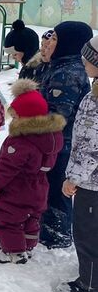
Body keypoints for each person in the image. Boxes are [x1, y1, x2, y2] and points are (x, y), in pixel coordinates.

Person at [0, 80, 65, 264]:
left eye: (16, 117)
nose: (13, 120)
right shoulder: (51, 136)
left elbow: (8, 167)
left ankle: (13, 251)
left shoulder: (21, 142)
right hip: (40, 185)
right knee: (31, 217)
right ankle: (28, 246)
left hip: (18, 188)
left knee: (6, 218)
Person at [38, 20, 93, 249]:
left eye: (56, 39)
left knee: (57, 187)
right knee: (52, 185)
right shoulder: (61, 66)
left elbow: (58, 116)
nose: (50, 42)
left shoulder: (67, 73)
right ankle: (52, 228)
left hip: (62, 144)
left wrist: (30, 122)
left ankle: (57, 234)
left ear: (69, 44)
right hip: (60, 142)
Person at [59, 35, 98, 292]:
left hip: (91, 183)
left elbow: (87, 146)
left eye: (89, 59)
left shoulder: (94, 103)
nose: (83, 62)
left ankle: (90, 284)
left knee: (87, 234)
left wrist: (73, 178)